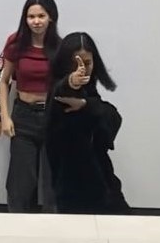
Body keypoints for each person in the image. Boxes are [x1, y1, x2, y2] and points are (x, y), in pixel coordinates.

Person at [46, 32, 130, 214]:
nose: (82, 69)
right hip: (71, 183)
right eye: (76, 64)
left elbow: (112, 118)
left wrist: (86, 105)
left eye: (87, 63)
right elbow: (62, 92)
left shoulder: (90, 92)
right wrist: (72, 82)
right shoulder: (58, 90)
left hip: (101, 176)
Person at [0, 0, 61, 212]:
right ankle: (17, 225)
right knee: (20, 183)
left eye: (41, 16)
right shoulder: (16, 43)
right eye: (31, 16)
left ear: (51, 17)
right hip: (23, 116)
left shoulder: (60, 47)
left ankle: (53, 227)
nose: (36, 21)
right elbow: (3, 81)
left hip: (53, 117)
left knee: (52, 182)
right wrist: (4, 117)